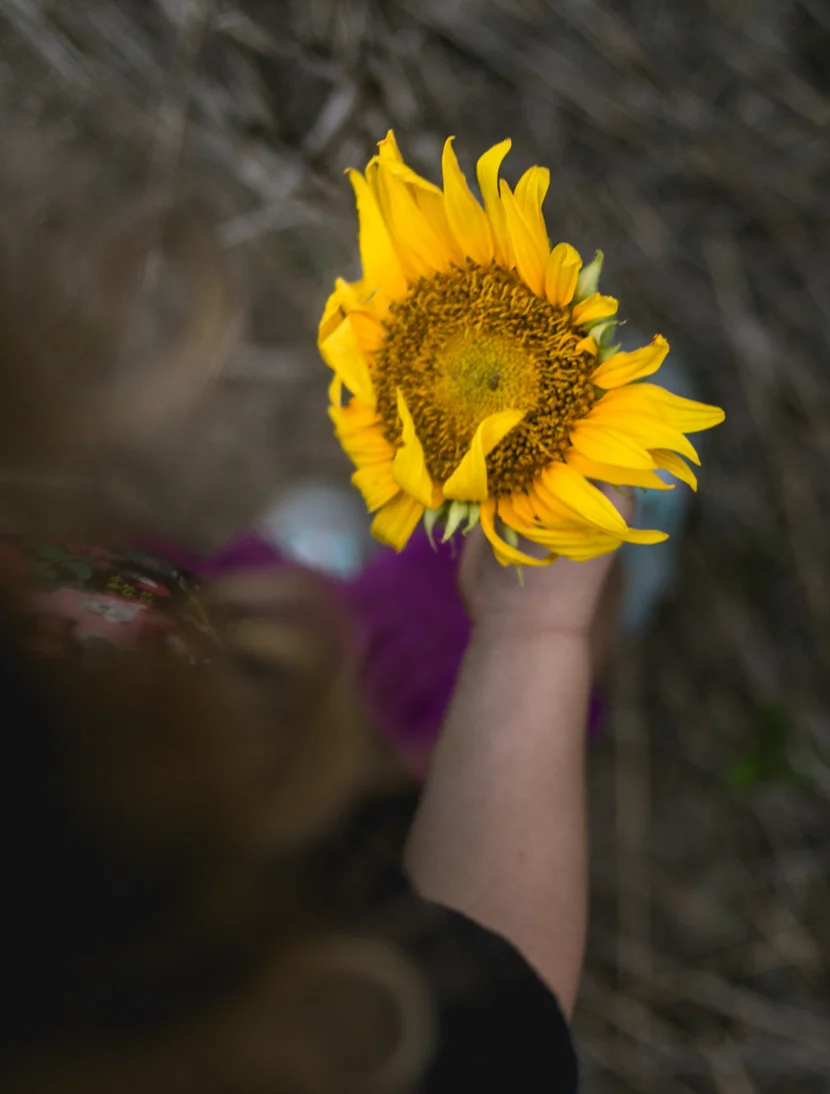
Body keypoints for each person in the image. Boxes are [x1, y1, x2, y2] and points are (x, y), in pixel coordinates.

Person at [0, 158, 658, 1092]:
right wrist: (534, 637)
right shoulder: (272, 998)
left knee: (237, 613)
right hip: (343, 785)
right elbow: (499, 1012)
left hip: (184, 660)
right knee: (437, 656)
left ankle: (289, 597)